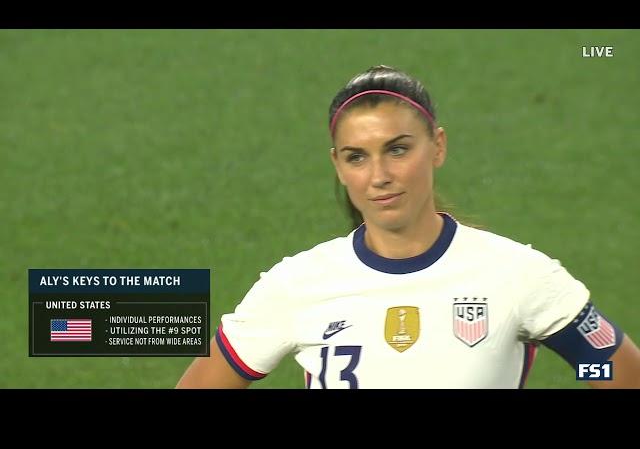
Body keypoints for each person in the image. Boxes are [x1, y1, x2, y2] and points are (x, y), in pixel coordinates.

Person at [176, 65, 640, 389]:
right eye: (357, 156)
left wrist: (587, 368)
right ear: (338, 166)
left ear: (437, 147)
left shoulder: (515, 275)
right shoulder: (297, 285)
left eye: (398, 149)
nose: (379, 176)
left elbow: (613, 370)